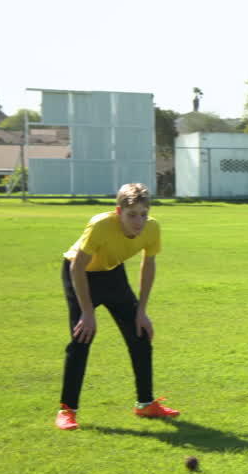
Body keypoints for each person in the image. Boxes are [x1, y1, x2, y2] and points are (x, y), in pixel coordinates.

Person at [55, 183, 178, 430]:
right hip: (81, 274)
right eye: (132, 214)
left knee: (140, 334)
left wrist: (141, 311)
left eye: (144, 214)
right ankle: (67, 411)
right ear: (119, 212)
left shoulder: (152, 228)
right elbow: (77, 267)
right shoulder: (100, 225)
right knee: (82, 338)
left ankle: (145, 404)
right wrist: (87, 313)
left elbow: (148, 265)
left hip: (112, 274)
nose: (139, 221)